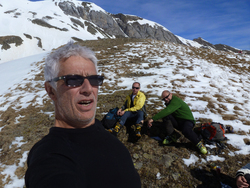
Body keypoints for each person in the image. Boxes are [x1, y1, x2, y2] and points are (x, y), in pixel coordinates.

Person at [25, 41, 141, 188]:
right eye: (73, 80)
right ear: (51, 91)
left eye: (94, 80)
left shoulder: (103, 132)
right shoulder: (49, 155)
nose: (88, 89)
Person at [147, 90, 207, 154]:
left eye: (167, 97)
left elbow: (167, 110)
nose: (166, 99)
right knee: (166, 116)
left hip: (188, 121)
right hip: (179, 121)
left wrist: (153, 119)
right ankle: (173, 135)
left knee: (186, 130)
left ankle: (199, 143)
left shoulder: (175, 101)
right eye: (164, 99)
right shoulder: (169, 102)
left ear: (171, 94)